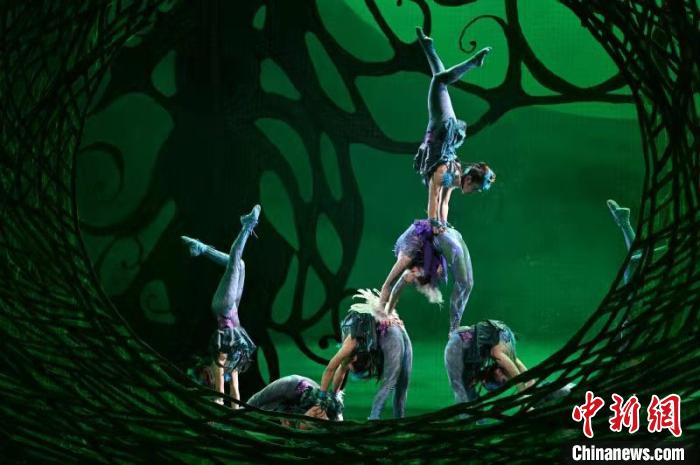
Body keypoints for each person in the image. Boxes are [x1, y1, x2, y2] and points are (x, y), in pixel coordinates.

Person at [413, 27, 496, 228]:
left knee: (440, 79)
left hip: (440, 129)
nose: (473, 192)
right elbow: (433, 197)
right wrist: (434, 225)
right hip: (441, 126)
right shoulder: (445, 171)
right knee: (439, 80)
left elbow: (444, 203)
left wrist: (444, 225)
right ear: (469, 181)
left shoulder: (455, 176)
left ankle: (428, 46)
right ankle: (473, 62)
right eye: (475, 188)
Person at [181, 205, 260, 407]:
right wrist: (236, 410)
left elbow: (220, 392)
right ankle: (201, 248)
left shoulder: (220, 358)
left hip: (223, 308)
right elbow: (235, 391)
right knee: (240, 264)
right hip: (234, 308)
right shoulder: (234, 361)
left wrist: (219, 403)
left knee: (235, 261)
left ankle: (247, 226)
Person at [319, 290, 412, 420]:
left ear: (355, 358)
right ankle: (382, 417)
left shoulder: (350, 346)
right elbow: (338, 370)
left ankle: (376, 418)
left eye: (349, 364)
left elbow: (331, 369)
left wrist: (322, 397)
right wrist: (331, 396)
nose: (347, 364)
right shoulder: (351, 352)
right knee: (395, 383)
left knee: (395, 381)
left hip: (391, 331)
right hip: (378, 327)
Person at [246, 375, 343, 422]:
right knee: (257, 404)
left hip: (302, 401)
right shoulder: (287, 385)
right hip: (289, 387)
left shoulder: (332, 409)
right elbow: (257, 400)